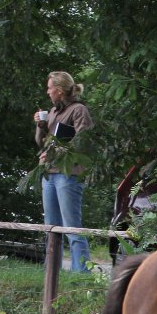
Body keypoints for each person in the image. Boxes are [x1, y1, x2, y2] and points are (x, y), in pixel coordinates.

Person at [34, 70, 95, 272]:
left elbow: (82, 142)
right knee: (51, 227)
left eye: (50, 88)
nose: (47, 91)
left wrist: (53, 153)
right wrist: (41, 126)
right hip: (49, 175)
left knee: (72, 228)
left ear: (59, 91)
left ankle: (82, 274)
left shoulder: (79, 110)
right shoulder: (52, 112)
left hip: (69, 174)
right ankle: (51, 272)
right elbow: (40, 143)